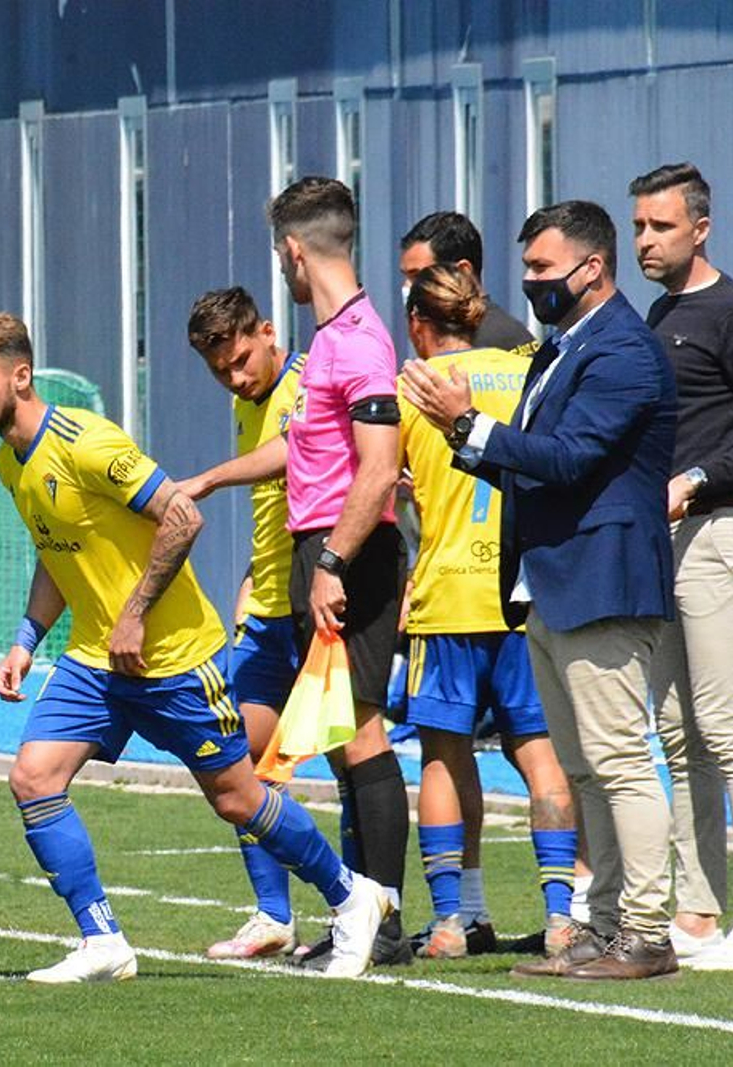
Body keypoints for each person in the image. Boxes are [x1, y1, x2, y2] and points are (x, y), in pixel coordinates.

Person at [0, 311, 391, 983]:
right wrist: (26, 639)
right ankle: (103, 941)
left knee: (238, 797)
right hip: (96, 660)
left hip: (176, 657)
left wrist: (134, 615)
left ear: (20, 374)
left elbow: (183, 516)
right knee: (34, 778)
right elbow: (56, 553)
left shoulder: (86, 442)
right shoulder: (11, 460)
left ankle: (352, 895)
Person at [401, 200, 679, 980]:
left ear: (592, 267)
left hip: (602, 580)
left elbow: (569, 457)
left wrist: (469, 423)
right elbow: (534, 463)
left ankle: (646, 932)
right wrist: (466, 438)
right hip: (549, 583)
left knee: (619, 759)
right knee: (586, 765)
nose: (527, 284)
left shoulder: (621, 347)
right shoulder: (563, 347)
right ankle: (601, 923)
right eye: (526, 268)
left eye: (541, 269)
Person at [396, 264, 577, 960]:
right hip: (522, 591)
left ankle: (455, 917)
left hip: (448, 593)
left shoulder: (411, 385)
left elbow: (390, 479)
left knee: (443, 758)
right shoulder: (532, 367)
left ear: (420, 324)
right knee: (541, 754)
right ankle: (563, 914)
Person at [268, 177, 411, 968]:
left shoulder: (357, 339)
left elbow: (380, 467)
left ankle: (380, 927)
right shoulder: (330, 337)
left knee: (358, 734)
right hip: (322, 546)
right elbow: (309, 450)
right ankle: (363, 914)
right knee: (336, 739)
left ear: (296, 250)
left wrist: (331, 561)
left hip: (344, 551)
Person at [628, 162, 733, 970]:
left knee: (728, 726)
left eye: (659, 227)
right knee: (678, 732)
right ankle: (699, 912)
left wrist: (697, 480)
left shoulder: (731, 311)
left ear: (700, 229)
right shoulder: (658, 312)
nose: (644, 240)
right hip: (664, 542)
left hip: (719, 532)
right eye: (638, 226)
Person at [176, 287, 306, 959]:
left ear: (267, 329)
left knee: (351, 761)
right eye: (220, 369)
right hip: (264, 616)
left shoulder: (310, 381)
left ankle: (369, 903)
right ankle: (273, 915)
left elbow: (294, 453)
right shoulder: (243, 400)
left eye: (242, 359)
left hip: (319, 609)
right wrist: (254, 578)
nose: (235, 376)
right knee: (239, 762)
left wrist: (208, 478)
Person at [398, 211, 536, 355]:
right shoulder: (506, 329)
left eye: (420, 275)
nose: (408, 286)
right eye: (406, 276)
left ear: (463, 271)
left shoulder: (468, 341)